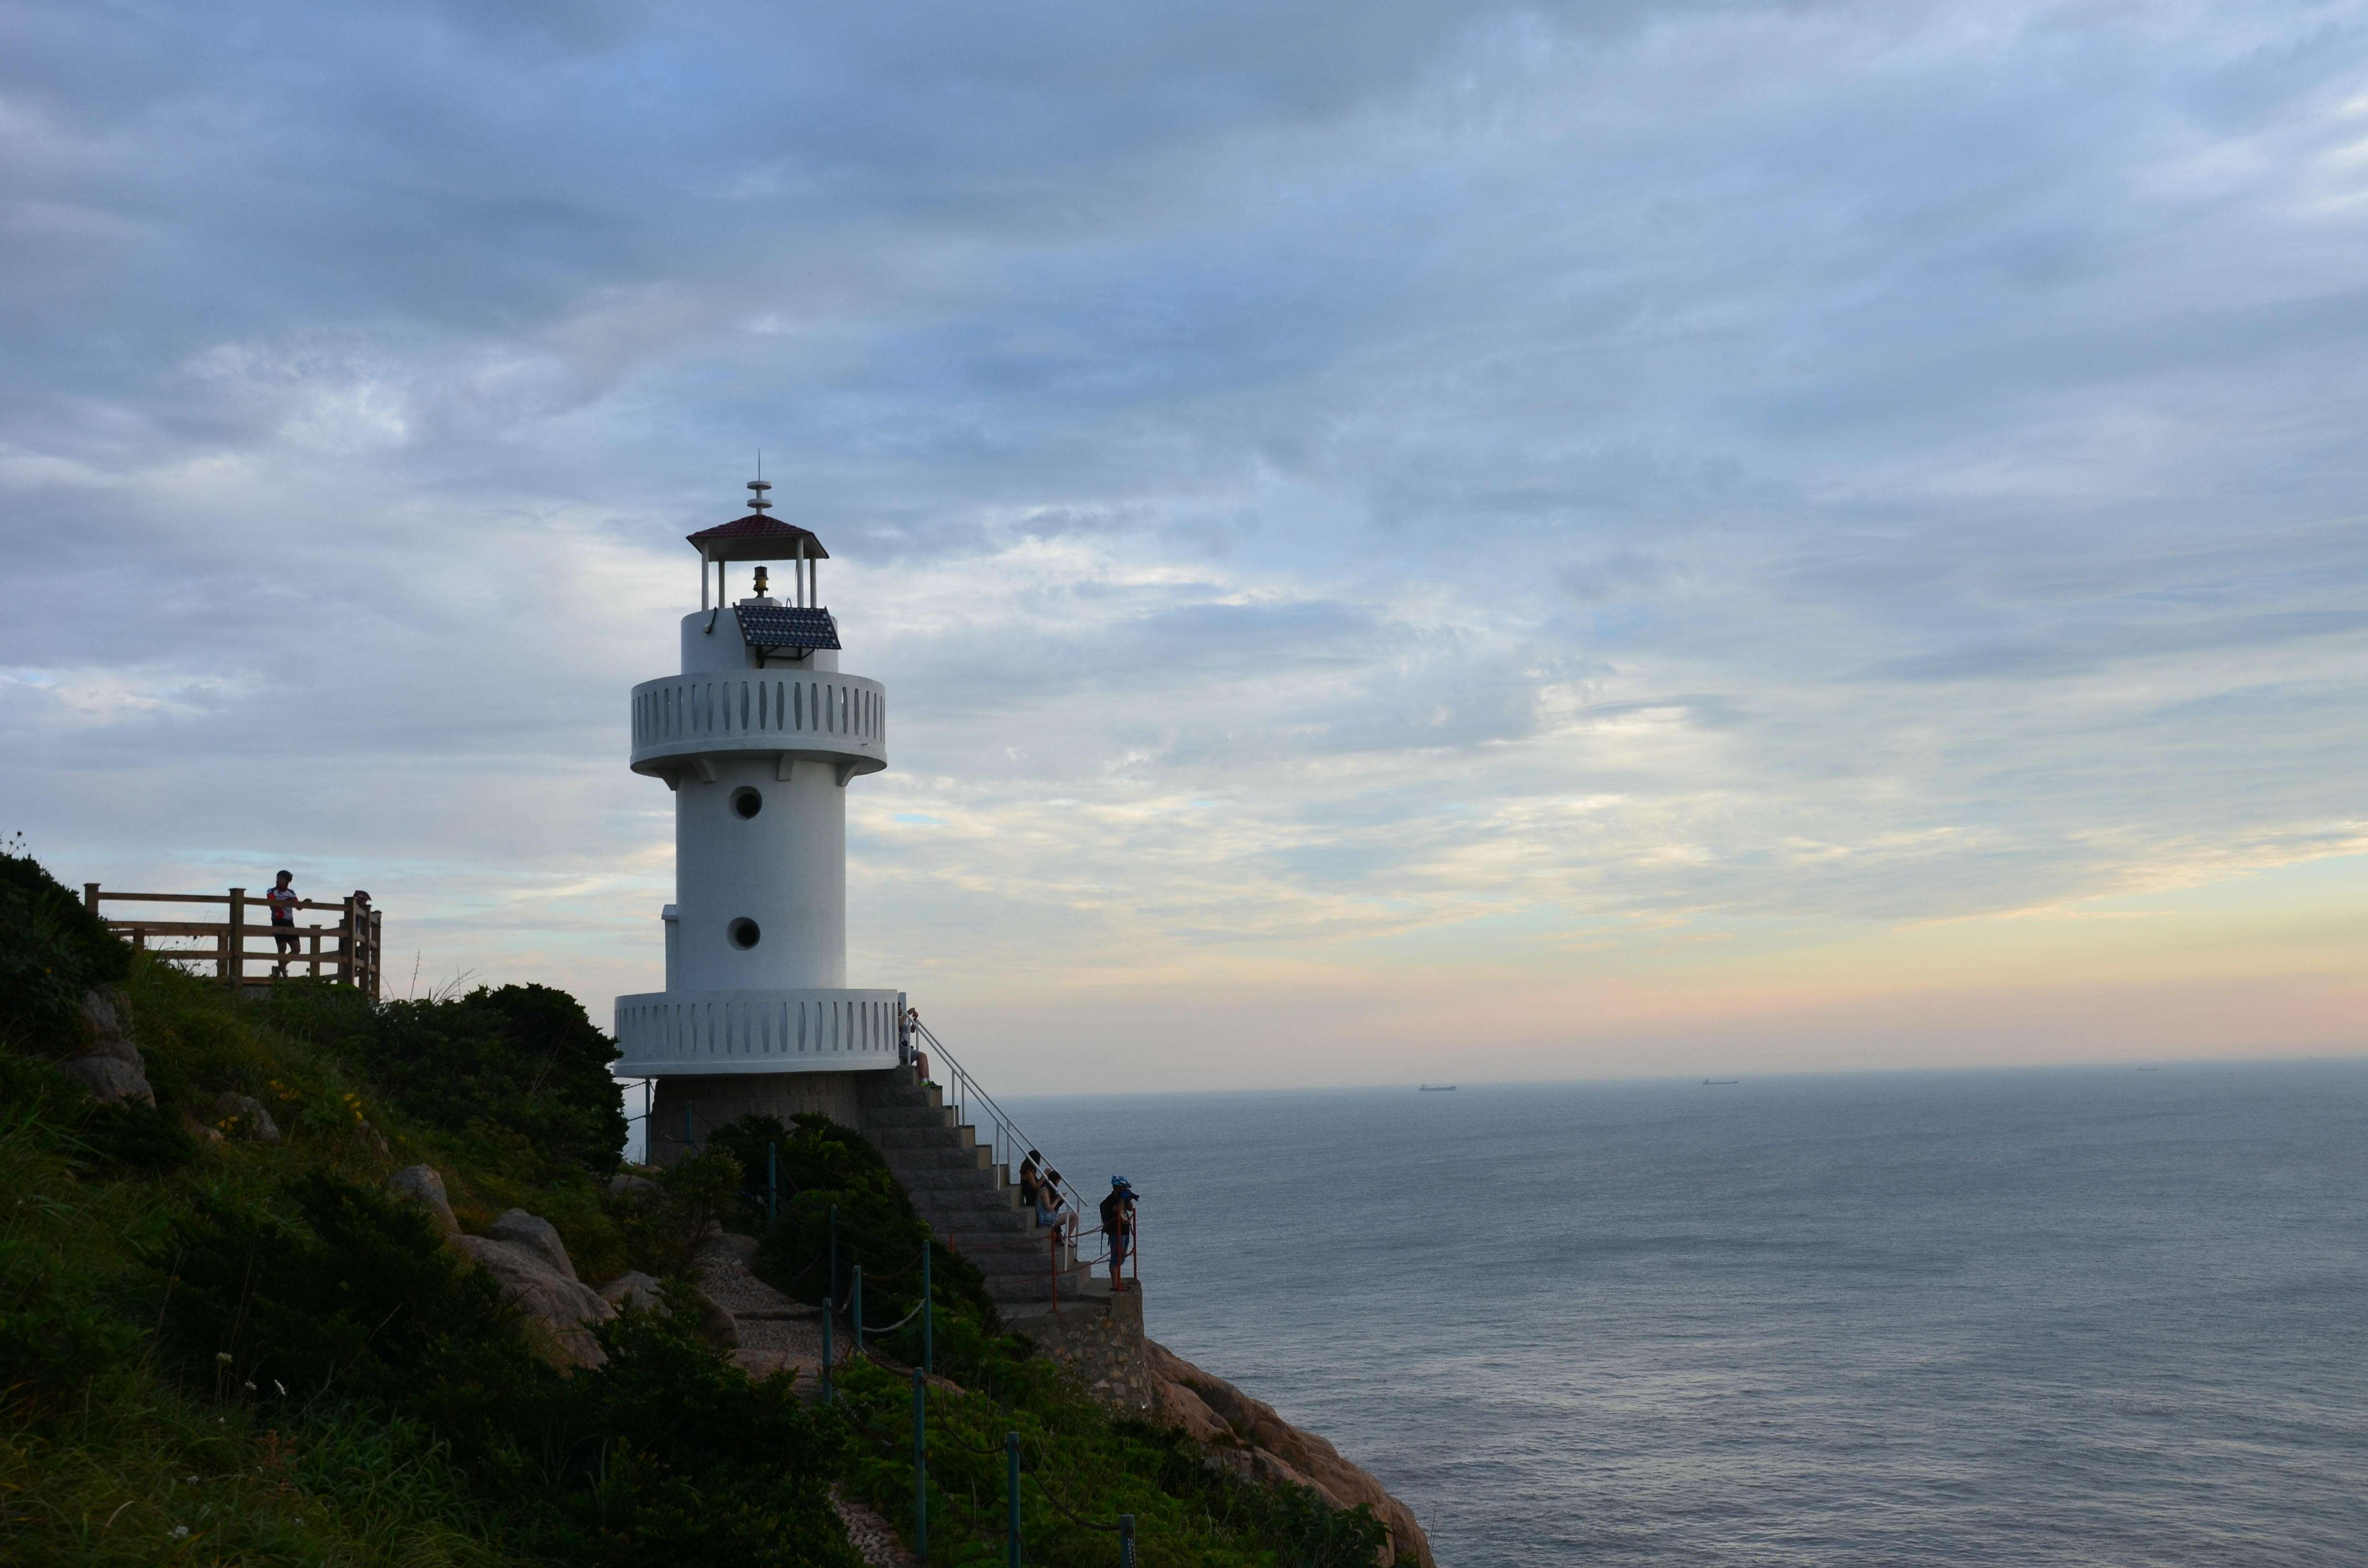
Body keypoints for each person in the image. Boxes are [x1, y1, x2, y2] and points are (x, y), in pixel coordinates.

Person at [1098, 1176, 1138, 1293]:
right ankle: (1114, 1284)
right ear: (1118, 1188)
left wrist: (1129, 1199)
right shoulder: (1110, 1200)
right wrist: (1122, 1200)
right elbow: (1119, 1210)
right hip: (1116, 1232)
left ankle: (1117, 1280)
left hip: (1124, 1230)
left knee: (1122, 1256)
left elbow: (1130, 1209)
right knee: (1116, 1257)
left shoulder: (1122, 1199)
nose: (1125, 1190)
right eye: (1123, 1188)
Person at [264, 870, 300, 978]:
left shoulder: (291, 893)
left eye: (281, 879)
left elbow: (299, 907)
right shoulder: (271, 891)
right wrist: (287, 902)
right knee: (282, 948)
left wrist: (306, 903)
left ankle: (279, 968)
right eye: (278, 878)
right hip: (278, 922)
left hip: (289, 922)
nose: (279, 880)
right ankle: (284, 975)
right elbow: (272, 903)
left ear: (287, 881)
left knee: (296, 949)